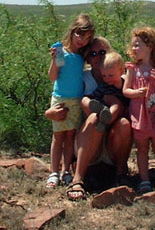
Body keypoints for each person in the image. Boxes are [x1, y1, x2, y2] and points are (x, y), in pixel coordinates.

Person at [46, 36, 133, 201]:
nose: (98, 56)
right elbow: (63, 97)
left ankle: (121, 173)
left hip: (112, 143)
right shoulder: (82, 77)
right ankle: (78, 178)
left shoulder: (122, 78)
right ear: (87, 57)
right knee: (93, 117)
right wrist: (49, 113)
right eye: (92, 54)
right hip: (88, 142)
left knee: (123, 123)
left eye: (102, 52)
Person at [122, 26, 155, 194]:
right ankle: (144, 180)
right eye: (133, 45)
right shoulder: (133, 69)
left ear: (150, 46)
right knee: (142, 148)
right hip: (140, 115)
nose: (134, 49)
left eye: (137, 45)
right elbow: (125, 90)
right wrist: (135, 93)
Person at [45, 14, 94, 189]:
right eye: (80, 35)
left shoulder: (81, 56)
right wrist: (54, 61)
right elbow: (53, 77)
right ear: (72, 32)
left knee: (70, 135)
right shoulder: (61, 53)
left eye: (87, 37)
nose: (82, 40)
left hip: (76, 99)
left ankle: (66, 171)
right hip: (60, 98)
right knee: (58, 136)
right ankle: (53, 172)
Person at [82, 51, 126, 132]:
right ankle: (102, 113)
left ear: (121, 71)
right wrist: (89, 100)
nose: (107, 78)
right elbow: (95, 96)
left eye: (110, 75)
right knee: (84, 99)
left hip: (115, 115)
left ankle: (105, 120)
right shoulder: (104, 85)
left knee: (116, 105)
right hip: (101, 108)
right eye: (104, 76)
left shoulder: (125, 85)